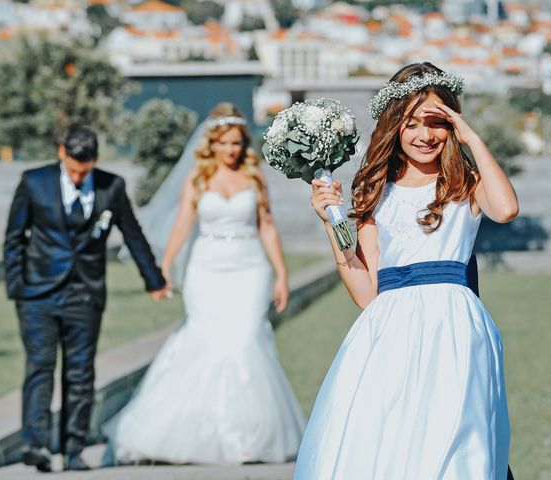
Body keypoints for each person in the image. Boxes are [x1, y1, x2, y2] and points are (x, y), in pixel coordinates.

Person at [294, 62, 518, 479]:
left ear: (452, 124)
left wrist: (471, 137)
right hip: (389, 332)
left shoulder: (465, 183)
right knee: (390, 439)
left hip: (455, 329)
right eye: (412, 123)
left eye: (436, 122)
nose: (425, 135)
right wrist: (332, 224)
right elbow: (366, 292)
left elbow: (505, 209)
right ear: (395, 126)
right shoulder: (375, 193)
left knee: (453, 438)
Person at [103, 103, 306, 465]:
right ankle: (182, 433)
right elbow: (182, 224)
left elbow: (267, 226)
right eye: (224, 143)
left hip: (250, 267)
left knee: (245, 341)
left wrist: (282, 274)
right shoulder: (197, 177)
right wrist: (163, 267)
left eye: (236, 143)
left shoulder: (254, 175)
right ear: (211, 143)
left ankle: (248, 437)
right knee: (205, 339)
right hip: (206, 267)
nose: (231, 150)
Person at [3, 125, 170, 473]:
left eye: (86, 169)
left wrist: (153, 279)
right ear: (62, 153)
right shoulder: (34, 182)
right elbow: (14, 237)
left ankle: (73, 448)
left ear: (94, 160)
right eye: (75, 169)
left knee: (80, 374)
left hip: (85, 295)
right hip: (38, 296)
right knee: (40, 368)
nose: (80, 177)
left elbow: (133, 234)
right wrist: (17, 286)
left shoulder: (112, 186)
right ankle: (36, 445)